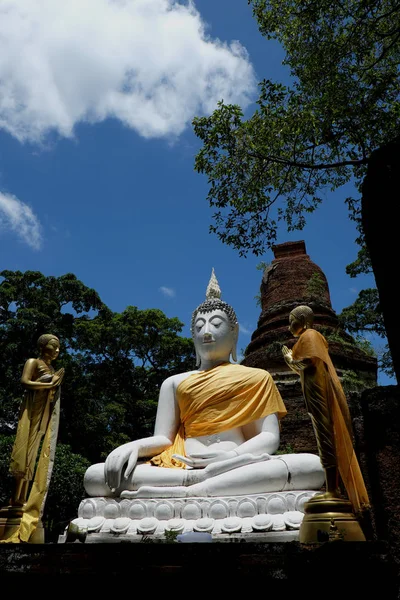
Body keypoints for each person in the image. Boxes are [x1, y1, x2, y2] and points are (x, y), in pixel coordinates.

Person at [84, 271, 324, 499]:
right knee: (96, 475)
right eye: (199, 327)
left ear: (234, 333)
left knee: (311, 467)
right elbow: (164, 440)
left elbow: (269, 438)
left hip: (235, 465)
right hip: (180, 466)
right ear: (192, 336)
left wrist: (228, 459)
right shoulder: (174, 382)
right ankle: (199, 486)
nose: (206, 332)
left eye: (216, 324)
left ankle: (193, 492)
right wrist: (134, 447)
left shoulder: (256, 377)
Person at [282, 305, 370, 513]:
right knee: (323, 437)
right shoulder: (305, 337)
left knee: (326, 435)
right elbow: (305, 367)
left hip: (320, 393)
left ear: (303, 320)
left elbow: (309, 362)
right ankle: (333, 487)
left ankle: (333, 489)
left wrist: (289, 359)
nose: (288, 326)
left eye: (291, 320)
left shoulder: (310, 335)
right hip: (314, 392)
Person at [1, 334, 64, 543]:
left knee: (33, 458)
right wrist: (48, 385)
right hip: (30, 412)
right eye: (53, 347)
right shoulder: (33, 362)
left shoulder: (53, 369)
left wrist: (54, 384)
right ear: (42, 347)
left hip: (42, 415)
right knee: (23, 455)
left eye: (58, 348)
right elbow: (25, 382)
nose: (56, 351)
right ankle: (15, 500)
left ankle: (24, 500)